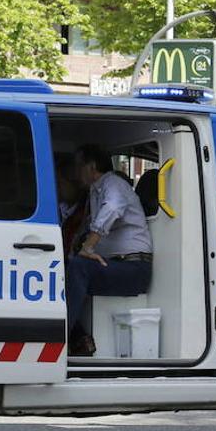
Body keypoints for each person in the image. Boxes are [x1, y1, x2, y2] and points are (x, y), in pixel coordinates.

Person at [65, 144, 153, 357]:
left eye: (78, 166)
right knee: (66, 268)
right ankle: (79, 338)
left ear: (92, 166)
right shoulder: (96, 192)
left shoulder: (113, 184)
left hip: (133, 268)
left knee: (79, 268)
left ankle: (61, 337)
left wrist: (88, 246)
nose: (76, 173)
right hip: (117, 264)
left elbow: (112, 209)